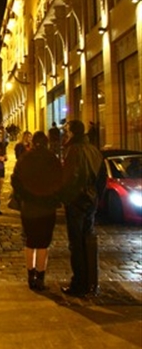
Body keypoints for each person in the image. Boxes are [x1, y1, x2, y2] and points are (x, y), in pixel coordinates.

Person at [11, 131, 64, 291]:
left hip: (29, 207)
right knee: (43, 243)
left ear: (33, 143)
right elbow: (60, 180)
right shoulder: (52, 159)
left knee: (30, 241)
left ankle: (30, 275)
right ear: (47, 143)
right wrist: (54, 197)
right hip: (47, 207)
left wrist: (24, 196)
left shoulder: (25, 158)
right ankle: (40, 278)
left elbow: (15, 180)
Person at [60, 120, 107, 297]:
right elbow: (102, 178)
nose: (65, 133)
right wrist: (96, 197)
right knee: (87, 239)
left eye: (67, 130)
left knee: (77, 243)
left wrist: (66, 198)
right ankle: (90, 281)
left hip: (77, 201)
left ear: (72, 132)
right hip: (91, 200)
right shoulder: (94, 150)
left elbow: (71, 177)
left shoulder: (74, 150)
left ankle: (78, 283)